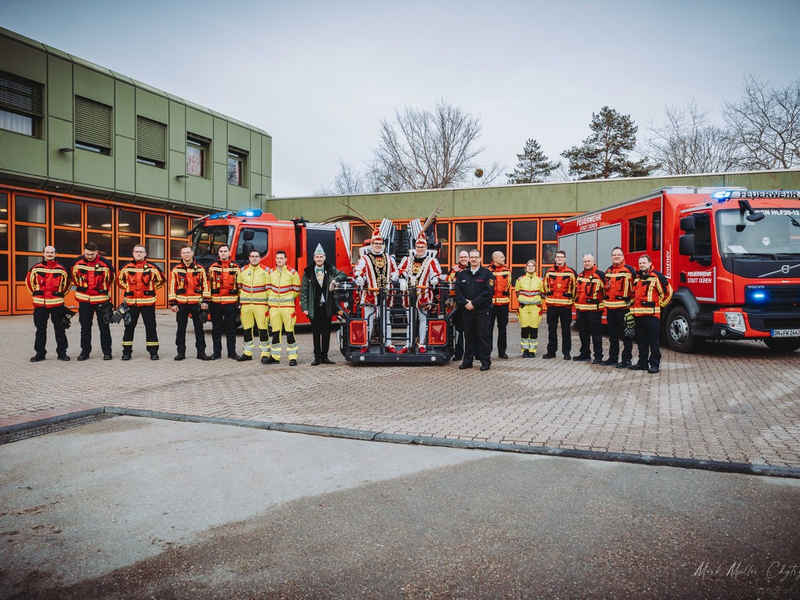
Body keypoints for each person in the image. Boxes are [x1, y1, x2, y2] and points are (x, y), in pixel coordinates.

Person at [353, 229, 399, 353]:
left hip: (386, 294)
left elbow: (395, 271)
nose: (378, 246)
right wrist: (360, 278)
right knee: (368, 319)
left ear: (383, 245)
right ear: (372, 244)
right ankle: (365, 343)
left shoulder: (389, 259)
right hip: (370, 294)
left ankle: (388, 343)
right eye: (376, 244)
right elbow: (358, 271)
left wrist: (395, 276)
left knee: (386, 320)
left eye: (380, 244)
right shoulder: (365, 259)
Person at [117, 244, 166, 360]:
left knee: (151, 327)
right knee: (129, 327)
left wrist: (150, 289)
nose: (138, 253)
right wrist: (128, 288)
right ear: (133, 253)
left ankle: (153, 352)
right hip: (131, 303)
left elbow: (162, 280)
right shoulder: (126, 267)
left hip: (147, 302)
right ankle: (126, 352)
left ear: (145, 254)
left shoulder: (152, 267)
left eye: (141, 252)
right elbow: (119, 281)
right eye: (136, 251)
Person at [300, 244, 347, 365]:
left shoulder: (330, 269)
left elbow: (343, 275)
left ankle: (325, 356)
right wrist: (304, 307)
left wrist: (335, 280)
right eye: (317, 257)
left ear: (325, 257)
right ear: (314, 258)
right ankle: (317, 357)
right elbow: (304, 291)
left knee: (326, 332)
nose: (319, 259)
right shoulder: (308, 271)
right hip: (314, 306)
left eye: (321, 256)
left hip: (327, 307)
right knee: (316, 333)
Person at [397, 233, 442, 353]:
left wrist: (434, 279)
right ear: (415, 248)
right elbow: (401, 271)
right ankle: (408, 343)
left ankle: (422, 343)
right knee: (410, 320)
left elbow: (436, 274)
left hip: (424, 295)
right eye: (418, 247)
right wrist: (402, 279)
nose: (420, 249)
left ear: (426, 248)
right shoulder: (407, 259)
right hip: (408, 295)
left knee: (423, 320)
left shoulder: (431, 261)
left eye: (422, 247)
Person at [26, 245, 71, 362]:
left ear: (55, 254)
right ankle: (40, 353)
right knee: (40, 330)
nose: (49, 254)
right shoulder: (35, 268)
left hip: (57, 304)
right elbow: (29, 283)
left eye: (52, 252)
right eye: (47, 252)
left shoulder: (61, 269)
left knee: (60, 329)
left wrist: (60, 295)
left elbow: (67, 285)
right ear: (43, 254)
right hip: (40, 305)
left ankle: (62, 353)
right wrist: (36, 296)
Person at [629, 255, 673, 374]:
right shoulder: (637, 278)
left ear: (650, 263)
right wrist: (631, 308)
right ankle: (642, 363)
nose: (642, 265)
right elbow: (634, 296)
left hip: (652, 316)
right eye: (640, 263)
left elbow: (668, 292)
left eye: (644, 263)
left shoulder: (656, 276)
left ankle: (654, 364)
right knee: (641, 342)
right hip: (638, 316)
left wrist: (660, 305)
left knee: (654, 342)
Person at [71, 241, 114, 361]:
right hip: (85, 300)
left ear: (96, 252)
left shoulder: (105, 263)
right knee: (85, 327)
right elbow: (75, 278)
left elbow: (111, 278)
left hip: (101, 300)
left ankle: (107, 352)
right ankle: (85, 352)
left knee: (104, 327)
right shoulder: (77, 262)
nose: (89, 257)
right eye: (87, 254)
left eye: (91, 254)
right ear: (84, 252)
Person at [168, 245, 211, 361]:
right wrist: (173, 303)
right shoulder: (176, 269)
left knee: (199, 329)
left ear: (192, 253)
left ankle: (201, 352)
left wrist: (206, 301)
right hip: (181, 304)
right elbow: (172, 286)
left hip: (197, 303)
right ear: (181, 255)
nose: (186, 255)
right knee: (181, 329)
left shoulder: (200, 269)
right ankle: (180, 353)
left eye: (188, 252)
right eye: (183, 253)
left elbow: (206, 286)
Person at [454, 249, 495, 371]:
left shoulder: (487, 274)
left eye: (476, 257)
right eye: (471, 257)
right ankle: (467, 361)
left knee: (483, 336)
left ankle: (485, 362)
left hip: (482, 311)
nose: (473, 259)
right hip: (467, 311)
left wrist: (474, 303)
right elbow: (458, 290)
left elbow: (488, 292)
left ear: (480, 259)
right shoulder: (462, 274)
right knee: (469, 337)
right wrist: (466, 303)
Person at [265, 250, 301, 366]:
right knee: (275, 333)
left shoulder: (293, 273)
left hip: (288, 308)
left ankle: (292, 357)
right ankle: (275, 357)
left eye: (281, 258)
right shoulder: (270, 272)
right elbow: (268, 288)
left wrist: (288, 297)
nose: (279, 260)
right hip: (274, 308)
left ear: (286, 259)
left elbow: (296, 290)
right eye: (277, 258)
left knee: (290, 333)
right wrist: (273, 297)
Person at [602, 247, 636, 368]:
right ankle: (613, 358)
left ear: (623, 256)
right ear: (611, 257)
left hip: (624, 309)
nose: (616, 256)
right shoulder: (608, 271)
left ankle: (626, 360)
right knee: (613, 336)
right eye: (614, 255)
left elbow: (636, 289)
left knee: (626, 336)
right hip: (611, 309)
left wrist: (631, 304)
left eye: (618, 255)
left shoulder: (629, 270)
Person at [207, 244, 241, 360]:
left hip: (231, 303)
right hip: (216, 303)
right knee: (216, 329)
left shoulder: (236, 267)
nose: (223, 253)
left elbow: (240, 285)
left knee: (230, 329)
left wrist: (240, 302)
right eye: (221, 251)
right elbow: (207, 284)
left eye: (225, 251)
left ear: (229, 252)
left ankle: (232, 352)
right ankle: (217, 353)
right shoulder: (212, 267)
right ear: (218, 253)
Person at [237, 250, 271, 362]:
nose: (254, 258)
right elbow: (239, 287)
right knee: (247, 330)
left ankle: (265, 354)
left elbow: (269, 289)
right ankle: (247, 353)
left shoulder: (266, 271)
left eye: (257, 256)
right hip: (246, 305)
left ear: (260, 258)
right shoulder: (242, 271)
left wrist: (265, 301)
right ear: (249, 258)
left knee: (263, 330)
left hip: (261, 305)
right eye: (252, 256)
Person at [542, 250, 576, 360]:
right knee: (552, 329)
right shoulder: (549, 272)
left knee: (566, 329)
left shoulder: (570, 272)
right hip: (552, 305)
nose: (560, 259)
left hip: (565, 306)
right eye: (558, 257)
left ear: (565, 259)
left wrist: (572, 299)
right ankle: (551, 352)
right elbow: (545, 286)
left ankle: (566, 352)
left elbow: (575, 288)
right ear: (555, 259)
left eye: (562, 257)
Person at [573, 253, 605, 364]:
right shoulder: (580, 276)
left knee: (596, 334)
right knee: (583, 333)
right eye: (585, 261)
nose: (587, 263)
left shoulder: (600, 275)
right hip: (582, 310)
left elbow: (607, 292)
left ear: (594, 262)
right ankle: (585, 354)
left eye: (589, 261)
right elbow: (577, 292)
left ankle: (598, 356)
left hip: (595, 311)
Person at [514, 259, 544, 357]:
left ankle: (532, 350)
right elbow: (517, 292)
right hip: (524, 307)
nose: (530, 267)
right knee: (525, 328)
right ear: (526, 268)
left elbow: (543, 294)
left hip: (535, 307)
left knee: (533, 329)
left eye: (532, 266)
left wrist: (539, 303)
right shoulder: (520, 280)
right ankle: (525, 350)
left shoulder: (540, 280)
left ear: (536, 268)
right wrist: (522, 300)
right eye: (528, 266)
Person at [446, 250, 470, 361]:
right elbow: (448, 284)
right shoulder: (454, 270)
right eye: (461, 257)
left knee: (472, 329)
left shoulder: (474, 269)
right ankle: (459, 353)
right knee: (459, 329)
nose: (464, 259)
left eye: (465, 257)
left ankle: (474, 353)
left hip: (471, 303)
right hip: (457, 303)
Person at [488, 251, 511, 359]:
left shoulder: (507, 270)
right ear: (495, 259)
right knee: (488, 329)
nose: (504, 258)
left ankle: (502, 352)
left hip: (503, 304)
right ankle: (487, 351)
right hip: (490, 304)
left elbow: (508, 285)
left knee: (503, 329)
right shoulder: (487, 270)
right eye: (502, 257)